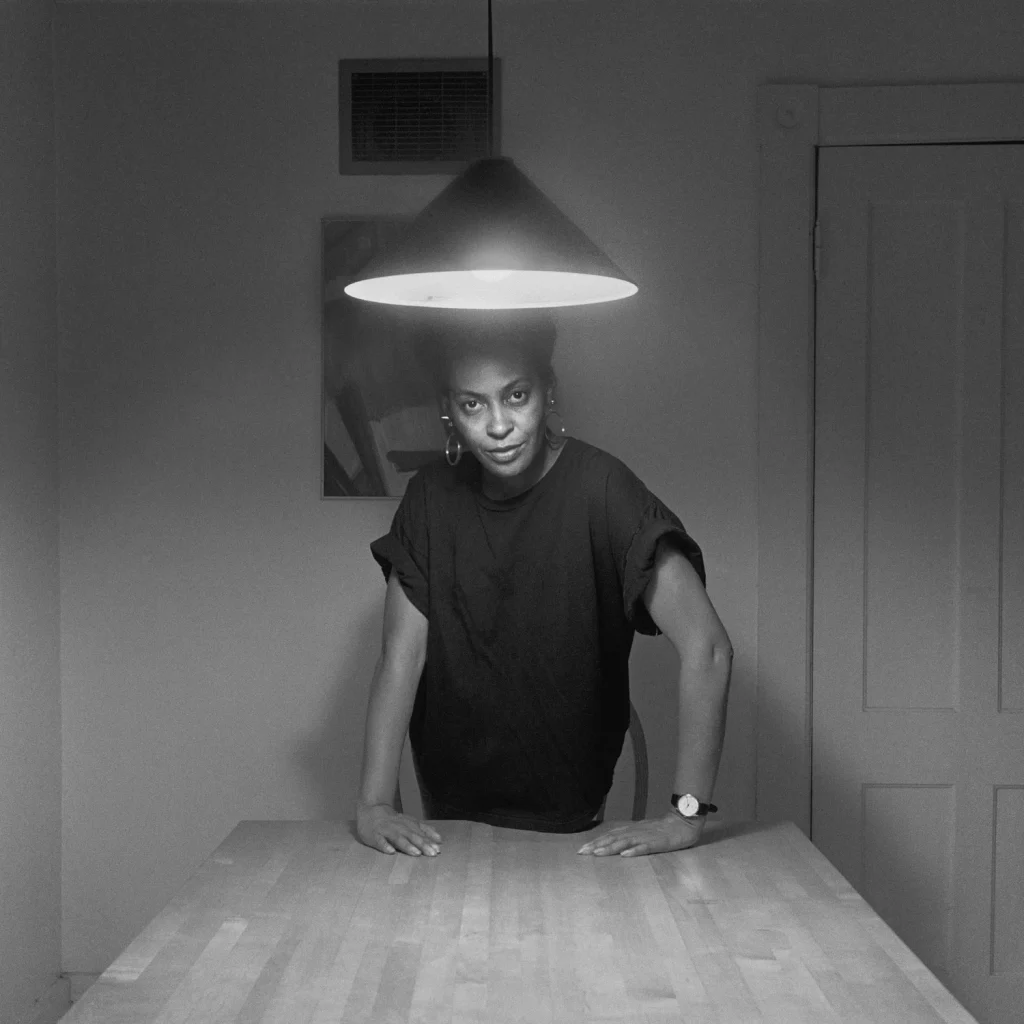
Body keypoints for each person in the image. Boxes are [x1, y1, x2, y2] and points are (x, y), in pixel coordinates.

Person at [355, 313, 732, 858]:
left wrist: (686, 817)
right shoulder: (430, 498)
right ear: (449, 411)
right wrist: (373, 804)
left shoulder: (603, 489)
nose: (498, 425)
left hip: (570, 814)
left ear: (547, 391)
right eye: (472, 404)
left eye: (516, 395)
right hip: (446, 814)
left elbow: (709, 648)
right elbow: (400, 657)